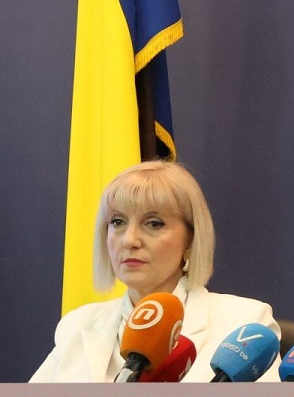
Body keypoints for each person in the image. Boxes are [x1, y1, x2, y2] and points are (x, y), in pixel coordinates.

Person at [31, 161, 281, 382]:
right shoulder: (77, 325)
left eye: (153, 224)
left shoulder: (244, 323)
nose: (130, 240)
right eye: (118, 222)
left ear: (191, 240)